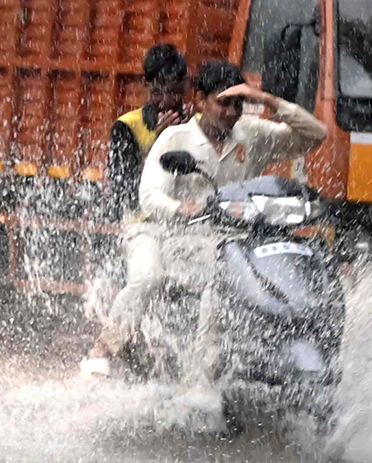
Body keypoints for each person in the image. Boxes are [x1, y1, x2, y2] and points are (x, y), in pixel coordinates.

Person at [82, 59, 327, 380]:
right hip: (172, 235)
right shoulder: (175, 138)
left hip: (229, 241)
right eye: (223, 103)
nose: (230, 112)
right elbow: (150, 196)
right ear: (200, 101)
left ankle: (230, 368)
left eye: (238, 103)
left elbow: (315, 135)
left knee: (254, 281)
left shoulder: (251, 134)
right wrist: (179, 208)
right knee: (169, 278)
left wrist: (268, 101)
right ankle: (117, 352)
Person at [105, 43, 189, 222]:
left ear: (185, 87)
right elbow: (124, 190)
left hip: (188, 220)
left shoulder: (197, 123)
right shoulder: (127, 126)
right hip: (143, 222)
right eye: (158, 93)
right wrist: (158, 143)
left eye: (175, 93)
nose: (166, 102)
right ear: (145, 84)